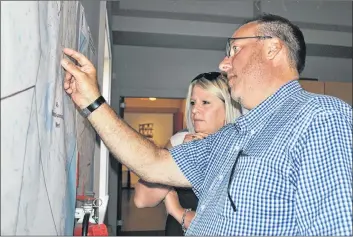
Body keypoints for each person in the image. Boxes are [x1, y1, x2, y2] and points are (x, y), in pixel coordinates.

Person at [61, 13, 352, 236]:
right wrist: (93, 103)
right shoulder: (229, 137)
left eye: (234, 49)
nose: (225, 64)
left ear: (272, 48)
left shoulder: (320, 119)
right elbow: (152, 163)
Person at [133, 72, 242, 235]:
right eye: (192, 102)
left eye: (205, 102)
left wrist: (177, 211)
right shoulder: (179, 140)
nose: (195, 110)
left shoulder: (241, 147)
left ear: (228, 108)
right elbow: (142, 199)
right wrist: (182, 155)